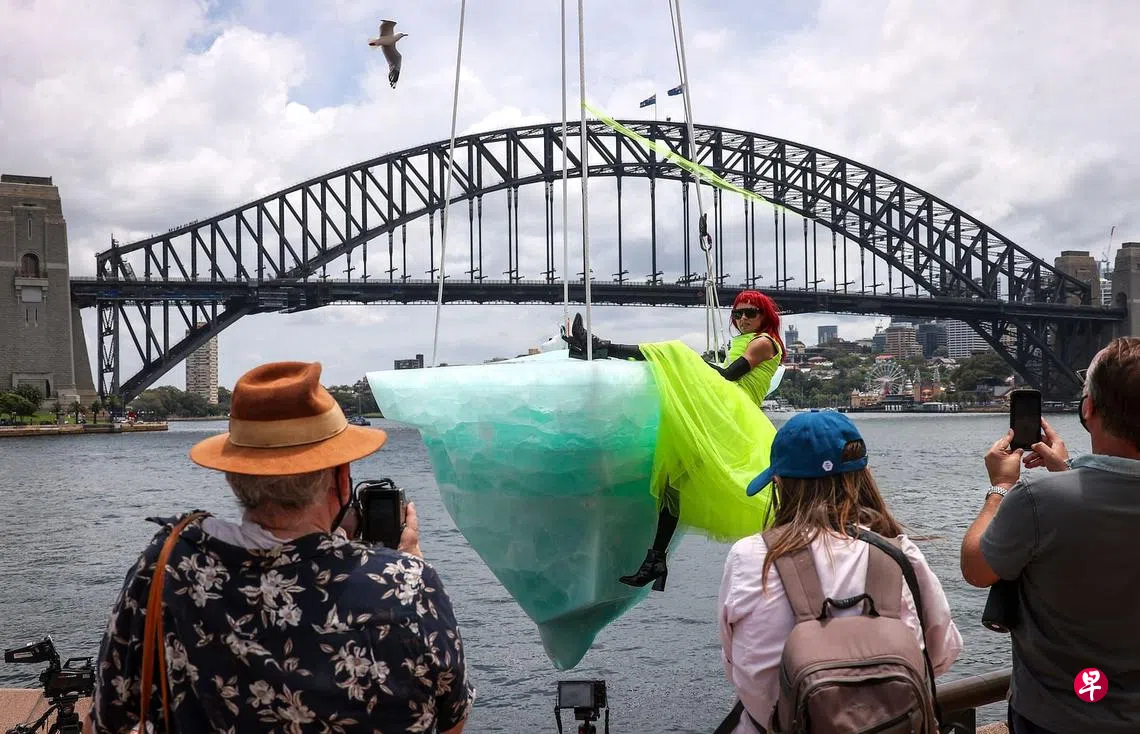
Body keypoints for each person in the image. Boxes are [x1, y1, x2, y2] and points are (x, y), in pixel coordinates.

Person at [86, 361, 475, 734]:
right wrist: (405, 568)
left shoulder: (169, 563)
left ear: (233, 475)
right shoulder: (407, 585)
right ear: (342, 478)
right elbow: (450, 719)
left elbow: (107, 719)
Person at [718, 411, 962, 732]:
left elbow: (736, 666)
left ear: (779, 483)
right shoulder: (900, 554)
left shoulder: (750, 558)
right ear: (863, 477)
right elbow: (940, 656)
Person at [960, 336, 1140, 734]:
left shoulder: (1037, 501)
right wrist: (1068, 471)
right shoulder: (1051, 497)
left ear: (1088, 408)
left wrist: (1000, 488)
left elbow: (976, 568)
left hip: (1056, 717)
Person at [562, 291, 784, 590]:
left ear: (765, 316)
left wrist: (686, 361)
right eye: (738, 313)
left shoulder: (764, 341)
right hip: (722, 409)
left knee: (675, 351)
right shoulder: (745, 341)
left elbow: (728, 377)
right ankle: (656, 560)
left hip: (732, 412)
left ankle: (602, 347)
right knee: (672, 481)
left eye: (751, 313)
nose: (743, 318)